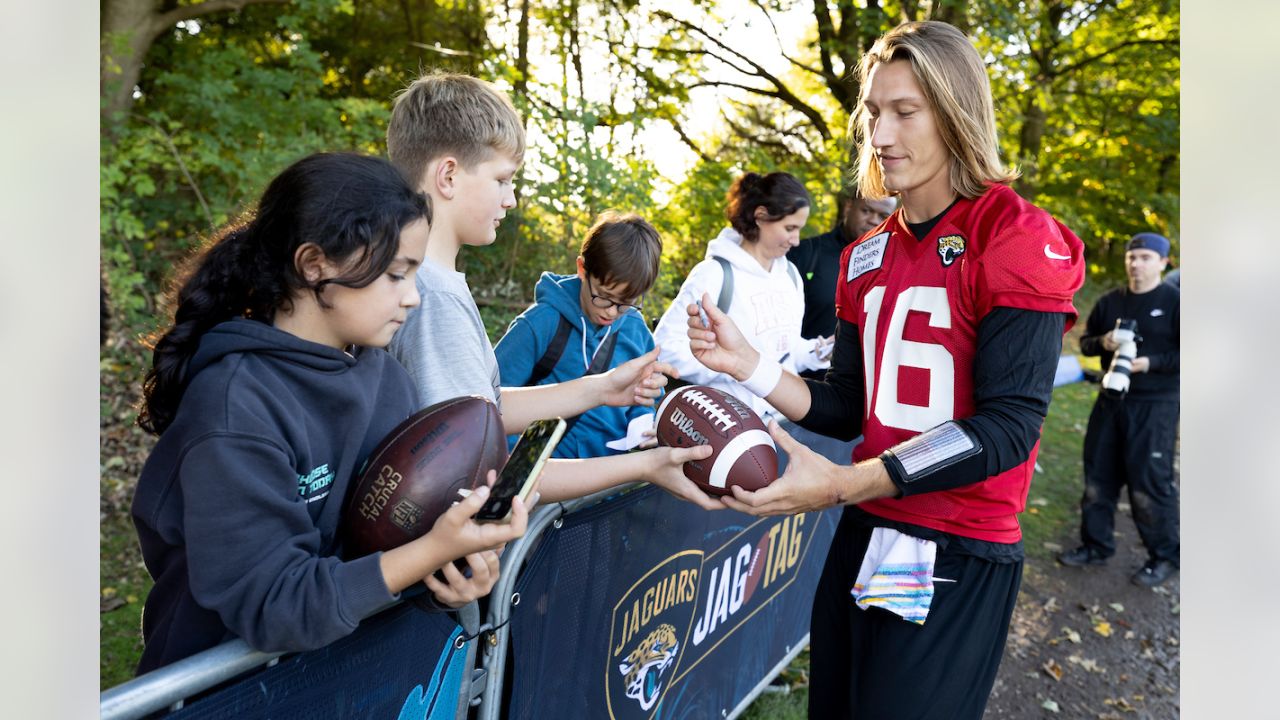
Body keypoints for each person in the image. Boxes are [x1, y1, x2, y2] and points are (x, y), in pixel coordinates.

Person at [684, 21, 1084, 718]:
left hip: (956, 542)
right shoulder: (867, 254)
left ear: (957, 110)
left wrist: (847, 481)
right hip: (874, 531)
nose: (882, 133)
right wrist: (749, 366)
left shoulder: (1015, 235)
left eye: (906, 111)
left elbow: (1009, 426)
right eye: (872, 112)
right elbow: (849, 402)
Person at [130, 153, 531, 674]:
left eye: (414, 275)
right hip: (224, 699)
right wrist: (430, 551)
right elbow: (274, 604)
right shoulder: (236, 405)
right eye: (394, 275)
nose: (411, 299)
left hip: (343, 681)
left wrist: (451, 578)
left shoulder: (387, 379)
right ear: (314, 264)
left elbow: (385, 553)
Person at [384, 72, 720, 510]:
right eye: (503, 180)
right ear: (448, 175)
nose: (511, 200)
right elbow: (476, 471)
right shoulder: (436, 300)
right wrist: (644, 466)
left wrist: (600, 389)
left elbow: (487, 409)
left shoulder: (431, 281)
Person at [652, 171, 830, 425]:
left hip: (786, 424)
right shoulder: (714, 274)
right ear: (760, 217)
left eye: (799, 229)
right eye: (789, 228)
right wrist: (732, 367)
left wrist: (818, 351)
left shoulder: (790, 275)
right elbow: (665, 348)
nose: (797, 240)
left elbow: (786, 352)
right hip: (732, 428)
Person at [1059, 232, 1180, 587]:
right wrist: (1105, 342)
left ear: (1162, 262)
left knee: (1150, 482)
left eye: (1145, 257)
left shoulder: (1176, 302)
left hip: (1155, 405)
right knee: (1098, 474)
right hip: (1111, 401)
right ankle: (1095, 546)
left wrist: (1149, 363)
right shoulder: (1111, 302)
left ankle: (1164, 556)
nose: (1136, 263)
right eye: (1132, 257)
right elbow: (1086, 343)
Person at [494, 211, 663, 458]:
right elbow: (491, 404)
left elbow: (646, 401)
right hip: (545, 478)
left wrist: (646, 421)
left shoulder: (636, 331)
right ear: (582, 269)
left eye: (627, 302)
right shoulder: (542, 323)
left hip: (610, 479)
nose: (613, 312)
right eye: (604, 297)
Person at [788, 189, 897, 355]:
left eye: (883, 216)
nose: (874, 221)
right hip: (807, 374)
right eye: (866, 211)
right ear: (848, 207)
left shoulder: (895, 265)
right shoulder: (806, 252)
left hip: (862, 378)